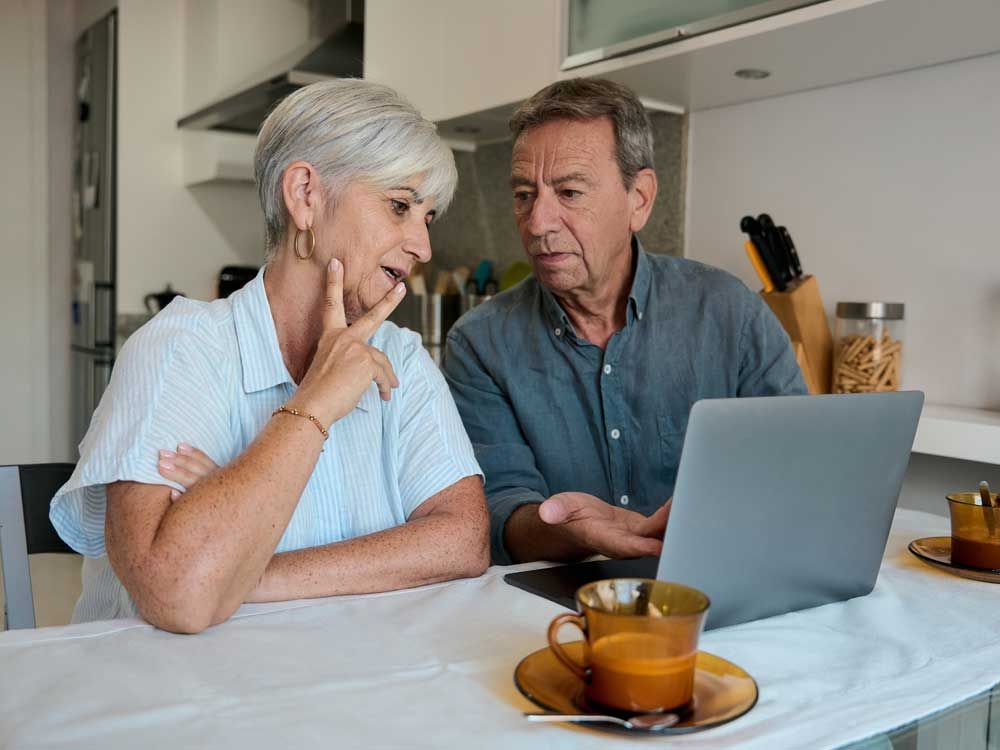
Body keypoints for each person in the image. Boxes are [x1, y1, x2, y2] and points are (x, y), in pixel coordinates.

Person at [51, 80, 489, 633]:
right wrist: (316, 404)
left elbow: (463, 540)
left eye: (427, 218)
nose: (423, 247)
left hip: (337, 673)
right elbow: (178, 593)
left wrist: (241, 574)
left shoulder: (399, 356)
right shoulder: (181, 348)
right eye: (399, 205)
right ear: (305, 195)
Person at [442, 78, 807, 566]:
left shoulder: (728, 311)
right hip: (559, 595)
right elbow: (498, 510)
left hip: (717, 582)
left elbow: (798, 460)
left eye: (569, 192)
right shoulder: (480, 343)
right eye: (524, 195)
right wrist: (572, 531)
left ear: (640, 198)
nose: (538, 222)